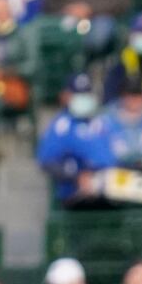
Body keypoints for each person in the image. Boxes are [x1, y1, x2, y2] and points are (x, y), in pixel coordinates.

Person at [36, 74, 123, 207]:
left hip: (111, 191)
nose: (82, 99)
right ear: (65, 96)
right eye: (76, 95)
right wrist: (76, 177)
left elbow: (118, 154)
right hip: (76, 197)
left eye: (85, 94)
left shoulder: (103, 120)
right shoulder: (62, 125)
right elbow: (46, 161)